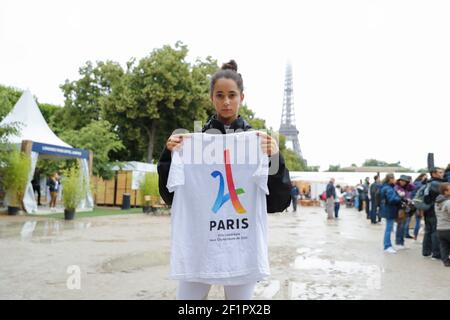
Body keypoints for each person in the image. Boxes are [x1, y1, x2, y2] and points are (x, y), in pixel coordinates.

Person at [157, 60, 292, 300]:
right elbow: (171, 197)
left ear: (242, 97)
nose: (226, 101)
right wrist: (169, 155)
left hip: (241, 249)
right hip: (198, 247)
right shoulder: (192, 145)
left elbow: (278, 202)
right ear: (212, 98)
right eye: (220, 95)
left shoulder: (260, 144)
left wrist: (275, 159)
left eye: (232, 95)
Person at [423, 167, 445, 259]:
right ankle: (436, 254)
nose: (442, 174)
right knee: (435, 232)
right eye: (440, 172)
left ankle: (426, 252)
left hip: (427, 210)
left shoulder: (428, 183)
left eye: (442, 172)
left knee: (428, 231)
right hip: (434, 210)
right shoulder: (437, 184)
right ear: (434, 174)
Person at [380, 174, 402, 254]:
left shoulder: (385, 187)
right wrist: (399, 197)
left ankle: (387, 245)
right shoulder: (388, 188)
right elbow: (392, 200)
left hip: (387, 209)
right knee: (388, 229)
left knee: (388, 228)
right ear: (390, 179)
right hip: (389, 209)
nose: (395, 180)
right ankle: (387, 246)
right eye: (394, 178)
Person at [394, 175, 415, 250]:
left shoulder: (407, 188)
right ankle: (398, 242)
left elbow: (413, 187)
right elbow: (401, 196)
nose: (402, 182)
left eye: (404, 181)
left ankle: (401, 242)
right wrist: (406, 199)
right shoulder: (397, 187)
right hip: (400, 209)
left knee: (403, 226)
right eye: (401, 180)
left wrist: (410, 182)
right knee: (400, 226)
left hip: (406, 209)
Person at [435, 183, 450, 267]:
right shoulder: (448, 202)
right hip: (448, 228)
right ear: (445, 192)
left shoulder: (437, 202)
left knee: (444, 246)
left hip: (440, 228)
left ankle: (446, 261)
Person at [410, 173, 428, 240]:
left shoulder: (414, 183)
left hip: (415, 203)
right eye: (425, 177)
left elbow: (412, 193)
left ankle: (415, 236)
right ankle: (421, 237)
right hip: (421, 204)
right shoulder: (423, 185)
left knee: (417, 220)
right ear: (422, 177)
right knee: (421, 220)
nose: (426, 178)